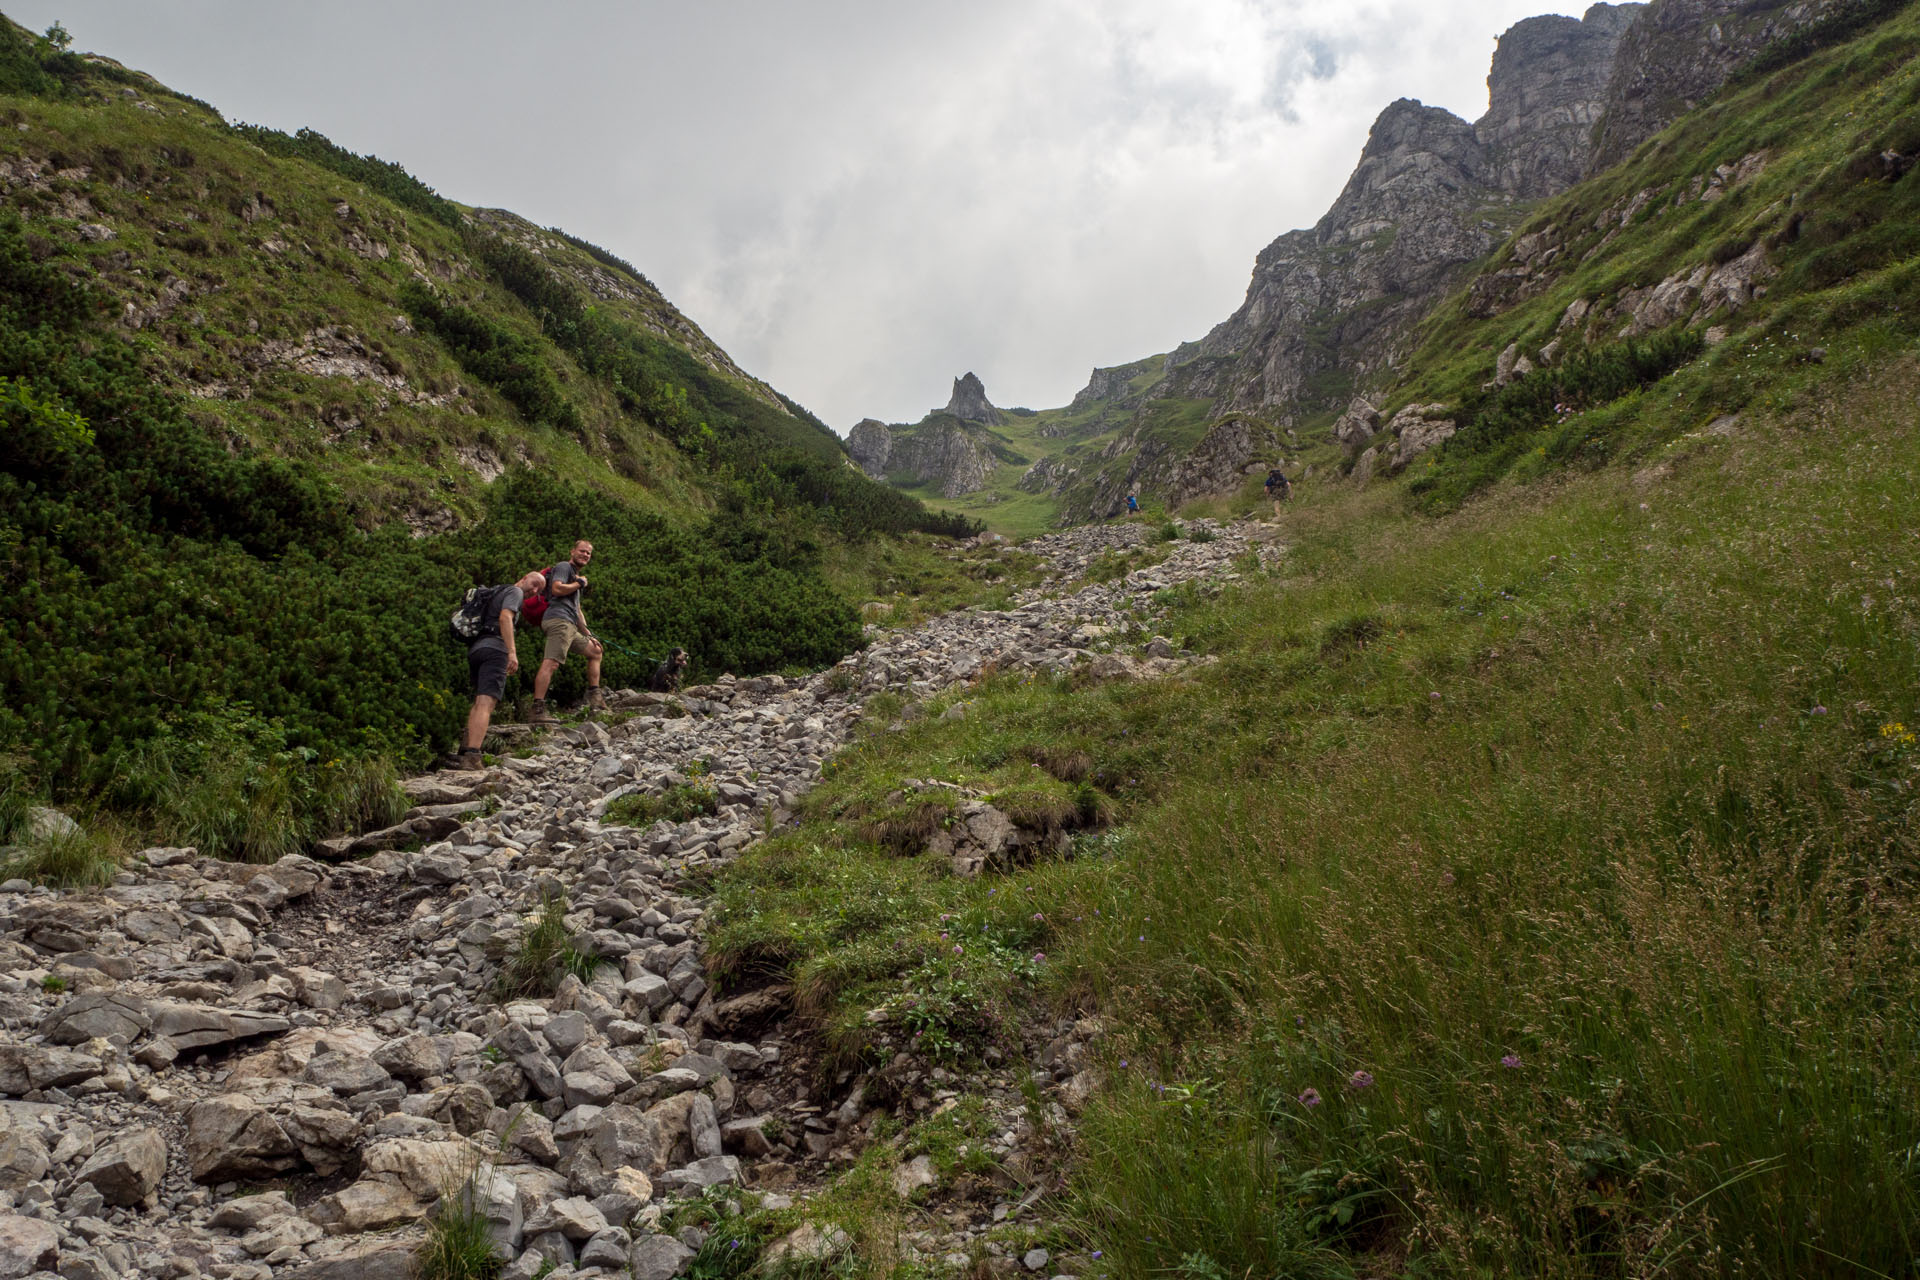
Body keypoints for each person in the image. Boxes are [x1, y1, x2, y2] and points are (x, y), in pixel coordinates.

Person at [458, 570, 547, 770]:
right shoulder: (515, 593)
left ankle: (464, 751)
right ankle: (472, 756)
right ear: (524, 577)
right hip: (495, 649)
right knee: (486, 703)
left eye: (539, 590)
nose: (534, 591)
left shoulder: (496, 591)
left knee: (478, 702)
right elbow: (505, 617)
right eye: (534, 584)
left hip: (476, 648)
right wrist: (511, 652)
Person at [531, 539, 606, 722]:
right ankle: (537, 709)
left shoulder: (574, 576)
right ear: (573, 551)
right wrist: (579, 584)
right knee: (551, 662)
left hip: (570, 624)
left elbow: (577, 610)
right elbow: (556, 589)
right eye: (582, 551)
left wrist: (589, 635)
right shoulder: (564, 567)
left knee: (596, 651)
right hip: (558, 621)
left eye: (588, 553)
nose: (585, 555)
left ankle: (594, 696)